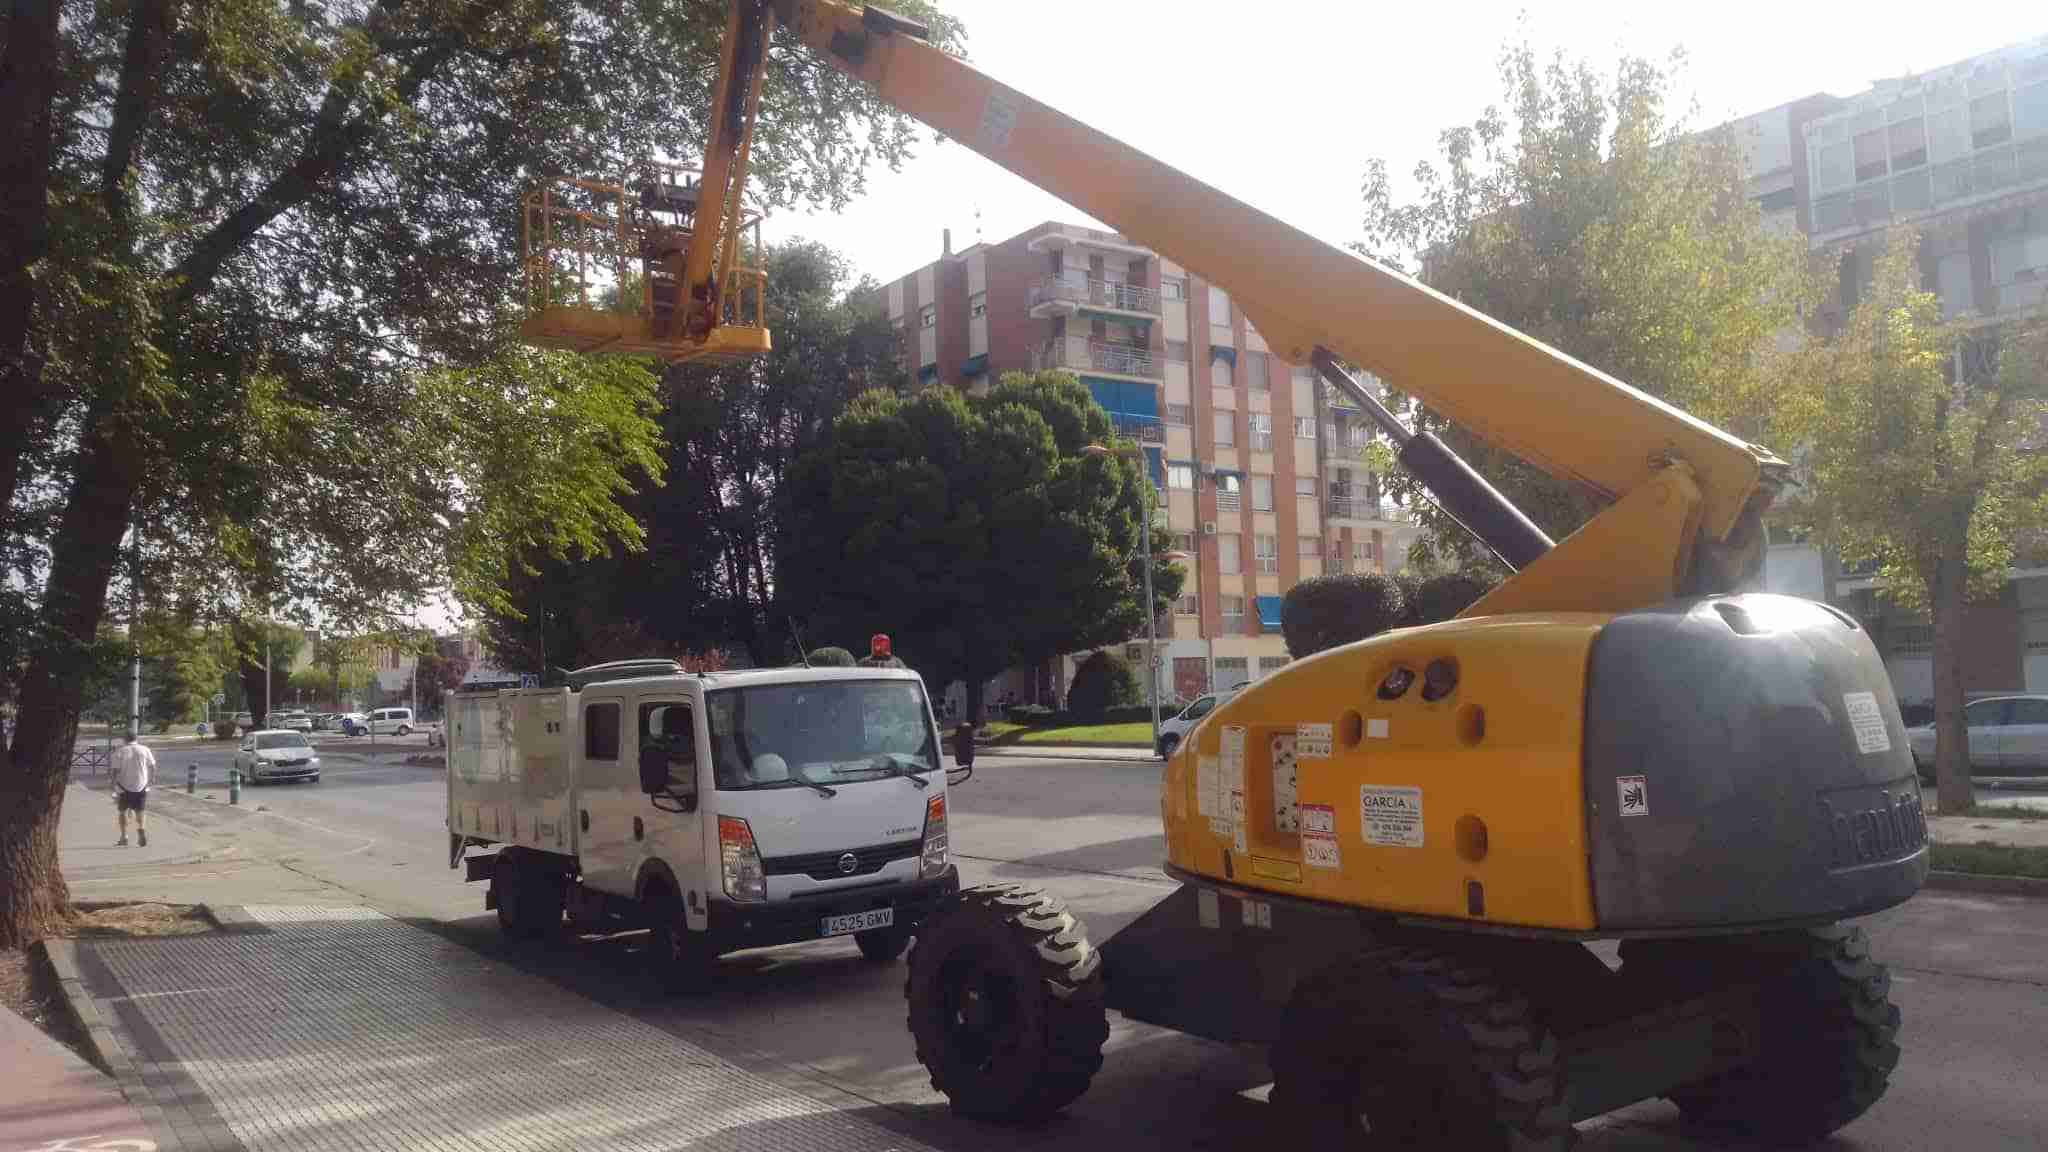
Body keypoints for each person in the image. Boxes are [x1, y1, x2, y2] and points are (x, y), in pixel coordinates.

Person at [111, 733, 156, 847]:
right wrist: (151, 779)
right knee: (140, 811)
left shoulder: (120, 751)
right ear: (136, 739)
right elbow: (152, 766)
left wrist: (113, 785)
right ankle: (141, 829)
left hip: (123, 787)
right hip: (142, 786)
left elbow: (115, 771)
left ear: (125, 739)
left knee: (123, 811)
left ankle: (124, 837)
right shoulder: (145, 749)